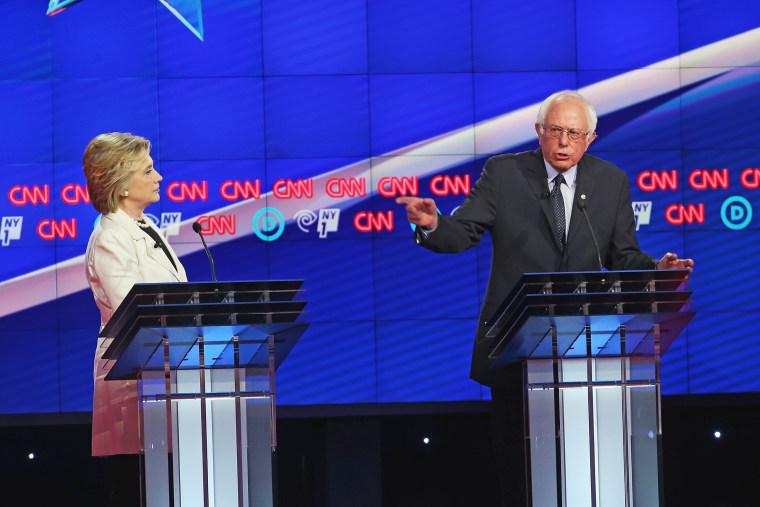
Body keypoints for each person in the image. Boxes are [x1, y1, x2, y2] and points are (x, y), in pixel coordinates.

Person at [397, 90, 693, 506]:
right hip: (515, 352)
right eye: (555, 131)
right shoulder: (504, 173)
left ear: (590, 138)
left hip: (588, 351)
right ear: (539, 132)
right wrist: (432, 224)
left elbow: (622, 255)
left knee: (583, 473)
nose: (564, 142)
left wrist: (655, 271)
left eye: (574, 133)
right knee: (521, 477)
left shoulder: (611, 181)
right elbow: (462, 232)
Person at [83, 132, 187, 506]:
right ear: (122, 185)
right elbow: (133, 311)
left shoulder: (145, 227)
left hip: (164, 373)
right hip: (137, 379)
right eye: (148, 170)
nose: (158, 176)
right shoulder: (111, 237)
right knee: (139, 486)